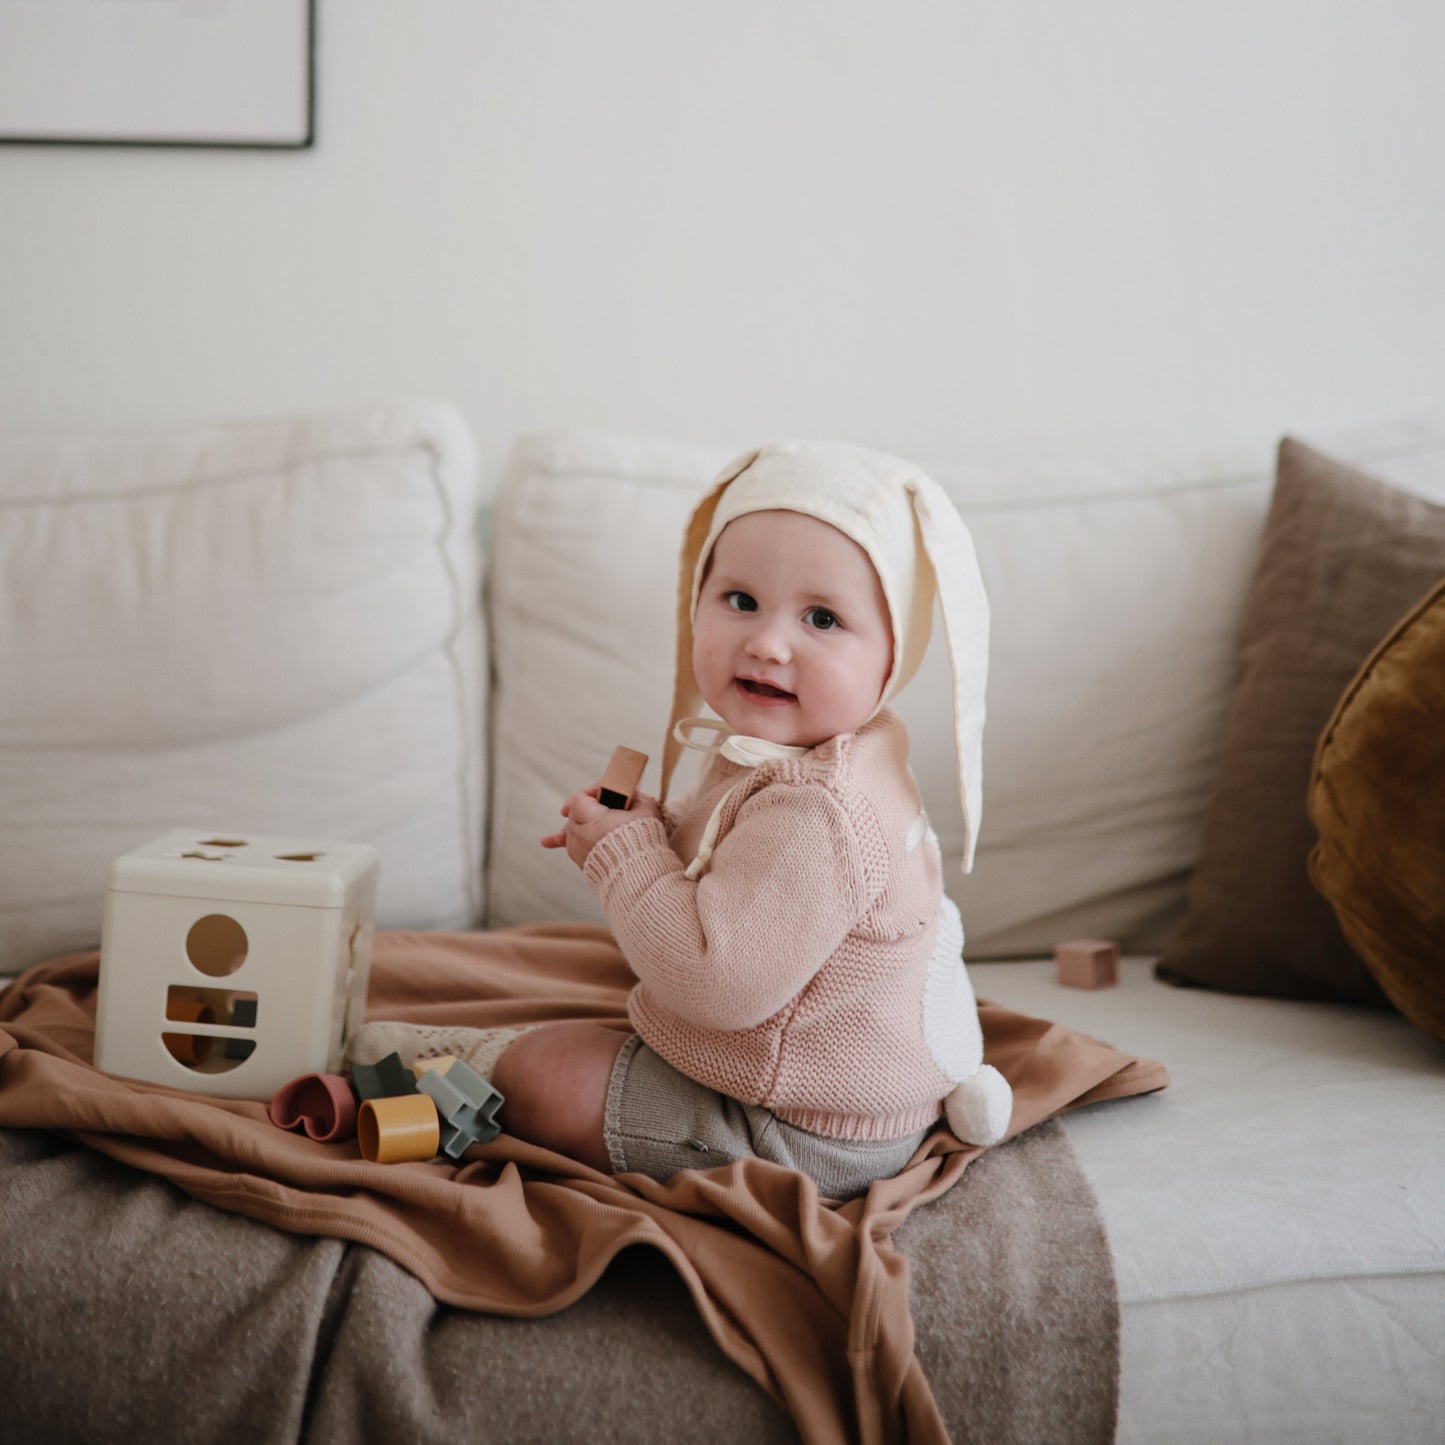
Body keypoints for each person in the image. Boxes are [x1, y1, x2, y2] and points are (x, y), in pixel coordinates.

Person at [348, 441, 1011, 1199]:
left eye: (822, 618)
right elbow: (735, 868)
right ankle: (487, 1056)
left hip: (798, 1130)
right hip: (805, 1078)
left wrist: (627, 858)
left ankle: (460, 1067)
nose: (767, 642)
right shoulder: (800, 744)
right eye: (740, 600)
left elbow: (716, 980)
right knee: (576, 1047)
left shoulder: (819, 807)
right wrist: (650, 829)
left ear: (895, 652)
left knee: (550, 1076)